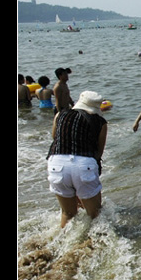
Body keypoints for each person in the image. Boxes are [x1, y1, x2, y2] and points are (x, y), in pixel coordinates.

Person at [46, 91, 107, 227]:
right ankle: (92, 245)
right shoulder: (100, 122)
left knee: (67, 213)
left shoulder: (59, 115)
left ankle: (59, 244)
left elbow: (55, 138)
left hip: (57, 163)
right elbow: (99, 152)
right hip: (84, 164)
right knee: (95, 214)